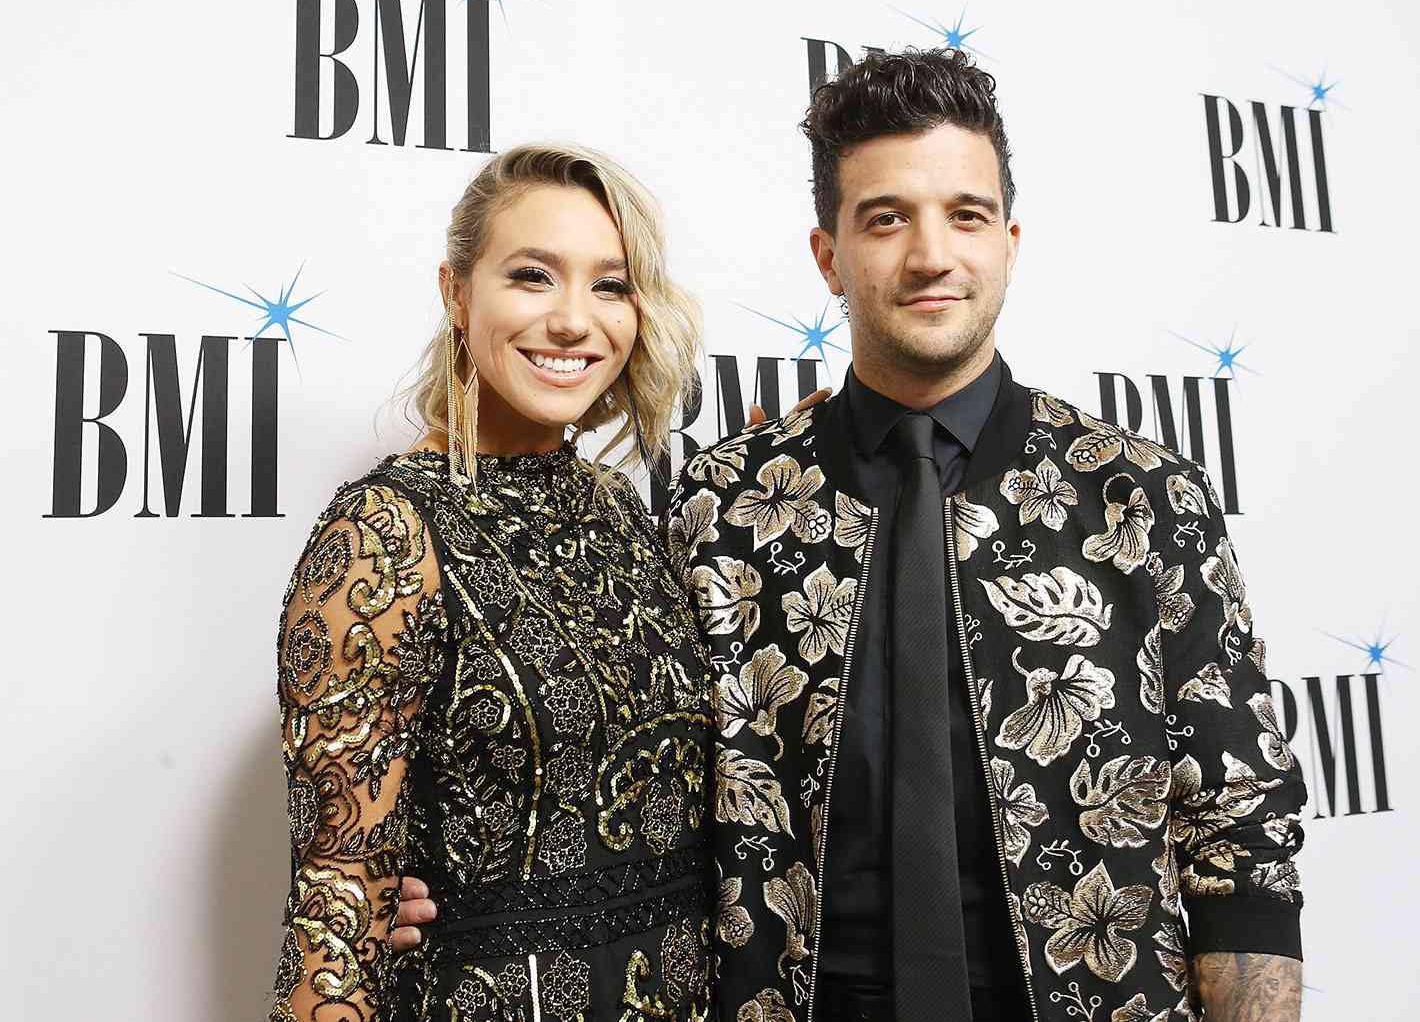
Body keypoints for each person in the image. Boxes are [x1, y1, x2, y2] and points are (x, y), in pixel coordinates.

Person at [397, 50, 1309, 1022]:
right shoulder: (725, 511)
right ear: (828, 254)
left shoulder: (1142, 499)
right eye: (886, 218)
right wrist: (460, 888)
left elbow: (1241, 843)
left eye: (964, 215)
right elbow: (622, 768)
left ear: (1007, 238)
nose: (931, 255)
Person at [271, 143, 789, 1022]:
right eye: (533, 276)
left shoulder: (620, 507)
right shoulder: (384, 534)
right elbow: (335, 914)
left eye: (610, 285)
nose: (574, 321)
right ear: (456, 292)